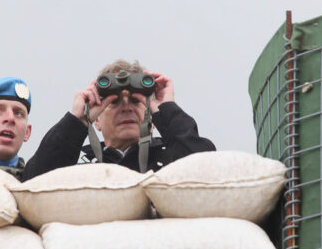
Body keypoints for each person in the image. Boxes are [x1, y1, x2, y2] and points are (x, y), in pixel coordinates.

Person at [22, 60, 214, 181]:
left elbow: (209, 170)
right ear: (96, 122)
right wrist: (77, 121)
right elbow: (35, 181)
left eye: (135, 100)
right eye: (113, 102)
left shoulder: (173, 159)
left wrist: (166, 109)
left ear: (153, 120)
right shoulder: (80, 169)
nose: (127, 107)